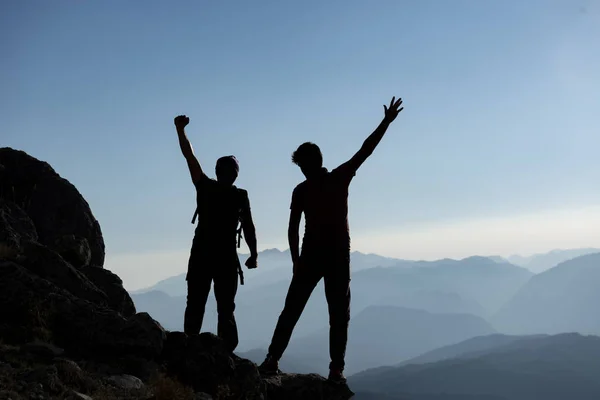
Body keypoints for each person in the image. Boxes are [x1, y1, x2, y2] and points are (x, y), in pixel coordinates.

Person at [258, 97, 404, 383]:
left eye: (301, 165)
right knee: (338, 314)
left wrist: (296, 261)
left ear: (306, 164)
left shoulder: (302, 189)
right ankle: (335, 369)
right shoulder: (338, 178)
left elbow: (292, 228)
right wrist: (385, 123)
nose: (301, 169)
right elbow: (365, 151)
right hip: (336, 255)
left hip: (313, 255)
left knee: (293, 309)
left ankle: (273, 359)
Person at [174, 114, 258, 352]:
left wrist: (180, 130)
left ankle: (189, 348)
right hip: (225, 258)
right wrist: (253, 254)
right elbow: (249, 226)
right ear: (235, 174)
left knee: (196, 304)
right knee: (225, 308)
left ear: (218, 171)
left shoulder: (205, 187)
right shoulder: (239, 195)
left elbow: (189, 157)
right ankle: (226, 353)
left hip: (202, 253)